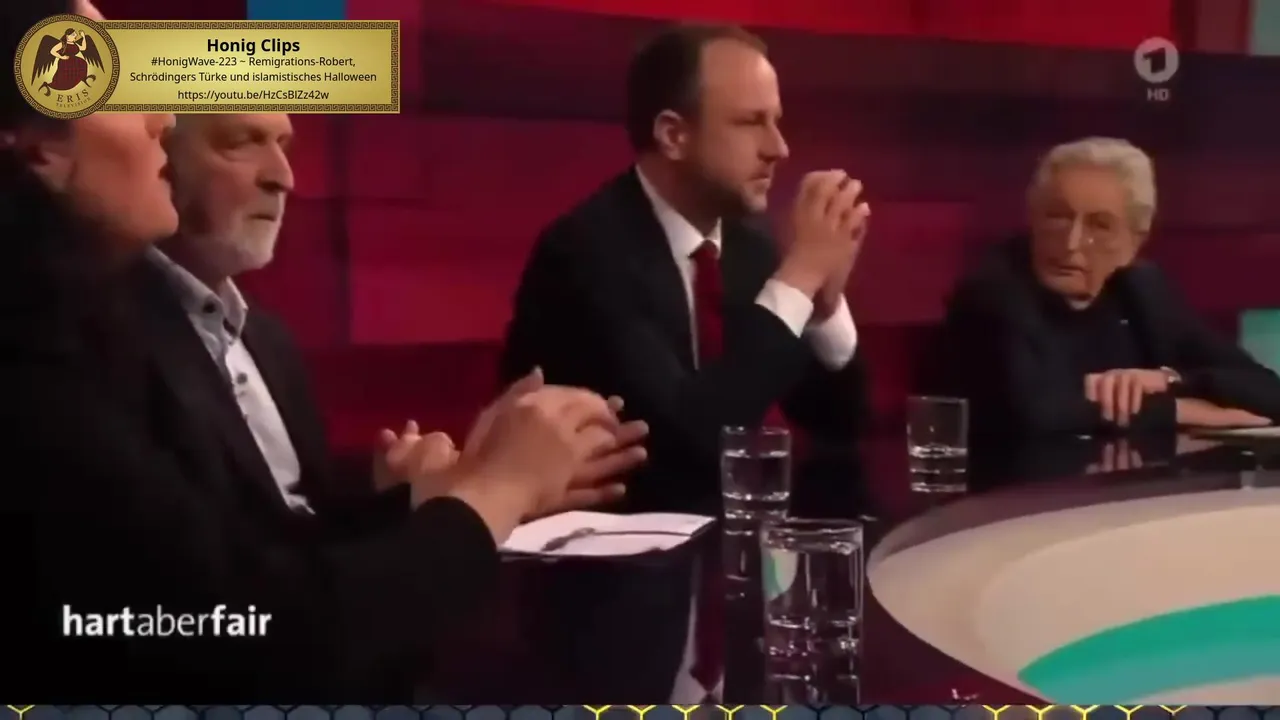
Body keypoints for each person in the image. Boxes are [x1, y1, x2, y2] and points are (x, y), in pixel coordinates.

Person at [1, 0, 629, 700]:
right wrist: (495, 490)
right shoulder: (45, 362)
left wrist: (449, 491)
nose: (160, 119)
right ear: (36, 145)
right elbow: (243, 630)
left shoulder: (233, 338)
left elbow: (269, 554)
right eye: (120, 90)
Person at [137, 112, 648, 541]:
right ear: (159, 154)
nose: (283, 177)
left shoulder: (268, 340)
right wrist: (497, 489)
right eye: (241, 142)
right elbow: (239, 578)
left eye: (283, 145)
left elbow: (310, 528)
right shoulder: (109, 338)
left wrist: (426, 486)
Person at [500, 24, 872, 512]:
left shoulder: (750, 249)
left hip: (718, 538)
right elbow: (690, 439)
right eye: (750, 122)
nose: (778, 147)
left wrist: (824, 306)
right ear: (673, 135)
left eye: (776, 121)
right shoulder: (586, 253)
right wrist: (800, 274)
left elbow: (839, 423)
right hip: (605, 545)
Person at [939, 137, 1280, 439]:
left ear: (1134, 241)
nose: (1072, 243)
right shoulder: (993, 292)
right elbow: (1032, 412)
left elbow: (1267, 389)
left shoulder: (1143, 290)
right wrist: (1179, 410)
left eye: (1099, 226)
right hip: (1014, 489)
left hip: (1128, 488)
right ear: (1033, 216)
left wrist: (1170, 381)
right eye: (1057, 217)